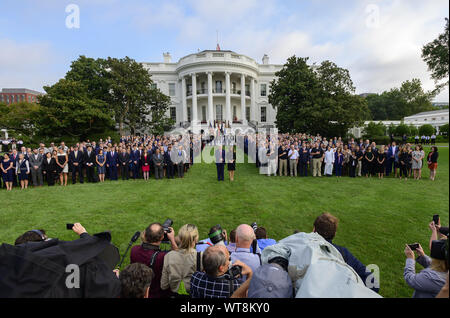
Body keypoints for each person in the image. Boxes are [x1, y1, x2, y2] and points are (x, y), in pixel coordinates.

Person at [312, 213, 379, 293]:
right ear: (334, 234)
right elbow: (373, 284)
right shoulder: (343, 253)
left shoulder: (301, 246)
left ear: (314, 229)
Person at [130, 222, 178, 298]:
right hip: (158, 294)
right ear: (162, 237)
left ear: (145, 234)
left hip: (139, 292)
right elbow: (178, 257)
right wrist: (172, 239)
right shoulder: (162, 257)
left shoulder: (134, 250)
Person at [161, 224, 202, 296]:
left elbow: (164, 285)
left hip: (174, 294)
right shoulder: (200, 256)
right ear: (196, 239)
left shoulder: (169, 256)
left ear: (179, 238)